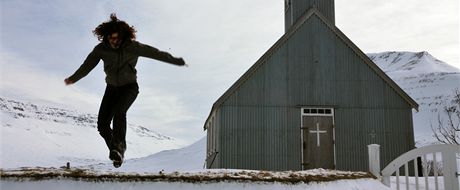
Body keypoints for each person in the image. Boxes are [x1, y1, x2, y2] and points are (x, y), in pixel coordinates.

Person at [64, 13, 186, 168]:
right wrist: (73, 78)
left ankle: (120, 147)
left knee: (119, 113)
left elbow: (155, 53)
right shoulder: (101, 49)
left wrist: (177, 61)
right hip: (111, 89)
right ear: (106, 37)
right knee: (102, 125)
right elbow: (87, 65)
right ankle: (116, 152)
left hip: (129, 88)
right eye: (111, 38)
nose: (114, 41)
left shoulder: (132, 47)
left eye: (117, 38)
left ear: (123, 36)